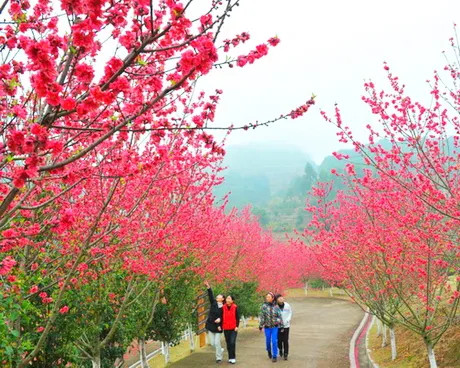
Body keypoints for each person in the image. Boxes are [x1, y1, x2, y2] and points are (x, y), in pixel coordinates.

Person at [259, 292, 283, 363]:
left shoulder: (276, 306)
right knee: (268, 341)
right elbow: (262, 317)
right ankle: (269, 351)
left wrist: (280, 325)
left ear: (273, 298)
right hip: (267, 327)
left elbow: (280, 316)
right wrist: (261, 325)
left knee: (274, 341)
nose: (267, 298)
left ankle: (274, 355)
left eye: (269, 297)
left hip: (275, 327)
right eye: (267, 297)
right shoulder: (264, 306)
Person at [204, 281, 225, 363]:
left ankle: (218, 358)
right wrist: (208, 287)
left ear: (222, 299)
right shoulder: (213, 303)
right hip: (211, 325)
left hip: (219, 327)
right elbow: (210, 295)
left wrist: (221, 319)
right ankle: (220, 349)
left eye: (219, 296)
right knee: (213, 343)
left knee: (217, 342)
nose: (217, 297)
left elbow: (226, 316)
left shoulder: (224, 307)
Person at [222, 295, 240, 364]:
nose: (227, 299)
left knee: (232, 342)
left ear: (232, 301)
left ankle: (233, 358)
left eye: (229, 298)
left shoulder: (235, 307)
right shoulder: (223, 307)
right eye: (227, 298)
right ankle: (230, 357)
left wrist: (237, 326)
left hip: (233, 328)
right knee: (228, 343)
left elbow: (237, 317)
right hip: (226, 328)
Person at [276, 294, 292, 360]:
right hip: (278, 326)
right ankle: (280, 349)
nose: (281, 299)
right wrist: (278, 321)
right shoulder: (275, 306)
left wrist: (287, 320)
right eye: (279, 298)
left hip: (286, 326)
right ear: (277, 300)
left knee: (285, 340)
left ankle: (286, 354)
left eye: (281, 297)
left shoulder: (287, 305)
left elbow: (290, 313)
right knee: (279, 340)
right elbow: (274, 315)